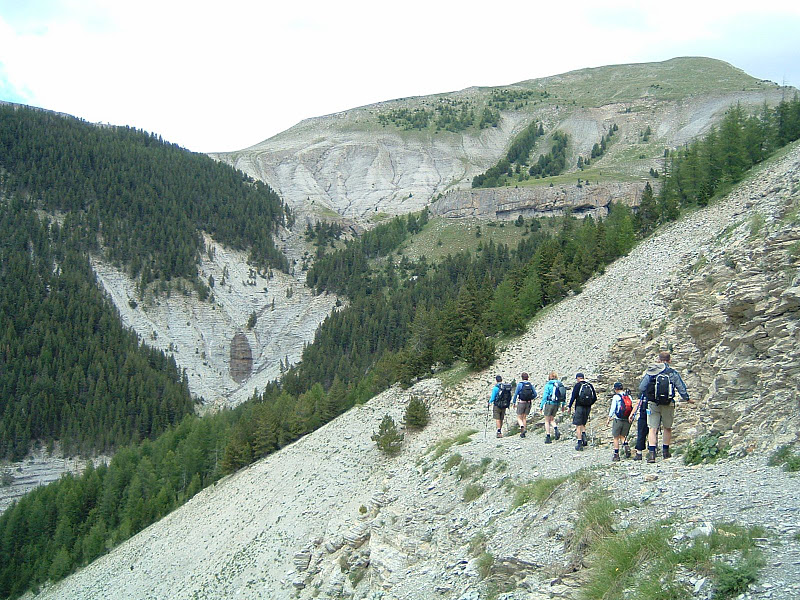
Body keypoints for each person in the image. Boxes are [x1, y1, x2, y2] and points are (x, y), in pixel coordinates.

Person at [638, 351, 693, 463]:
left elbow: (642, 387)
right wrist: (687, 399)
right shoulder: (672, 372)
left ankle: (652, 454)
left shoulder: (652, 371)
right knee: (667, 427)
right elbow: (680, 387)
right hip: (668, 403)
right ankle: (666, 452)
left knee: (652, 428)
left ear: (659, 360)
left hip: (653, 404)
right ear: (670, 360)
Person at [568, 372, 596, 451]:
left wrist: (569, 406)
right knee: (583, 423)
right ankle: (585, 439)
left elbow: (573, 396)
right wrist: (589, 403)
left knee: (578, 425)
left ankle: (579, 443)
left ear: (578, 378)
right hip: (588, 407)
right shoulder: (589, 385)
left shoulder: (578, 385)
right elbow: (595, 397)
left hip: (579, 407)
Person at [606, 382, 632, 462]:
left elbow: (613, 408)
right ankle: (626, 447)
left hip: (618, 419)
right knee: (623, 436)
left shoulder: (616, 397)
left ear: (616, 389)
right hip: (626, 418)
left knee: (616, 437)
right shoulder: (628, 396)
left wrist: (609, 418)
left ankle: (616, 455)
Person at [539, 372, 565, 444]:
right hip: (557, 404)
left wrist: (541, 406)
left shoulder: (548, 385)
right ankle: (556, 428)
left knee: (547, 420)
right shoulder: (560, 384)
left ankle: (548, 437)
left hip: (549, 403)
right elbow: (563, 395)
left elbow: (545, 396)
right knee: (552, 419)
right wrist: (563, 405)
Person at [511, 373, 537, 438]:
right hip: (528, 402)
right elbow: (535, 394)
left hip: (521, 402)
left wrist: (514, 402)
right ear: (528, 377)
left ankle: (522, 427)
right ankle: (524, 431)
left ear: (522, 377)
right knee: (524, 417)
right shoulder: (530, 384)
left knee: (519, 417)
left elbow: (516, 394)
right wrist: (531, 398)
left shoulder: (520, 384)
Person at [629, 392, 649, 461]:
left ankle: (639, 454)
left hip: (643, 415)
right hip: (654, 414)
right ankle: (652, 451)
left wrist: (632, 414)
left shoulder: (643, 391)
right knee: (653, 431)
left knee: (641, 433)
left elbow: (638, 403)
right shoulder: (657, 389)